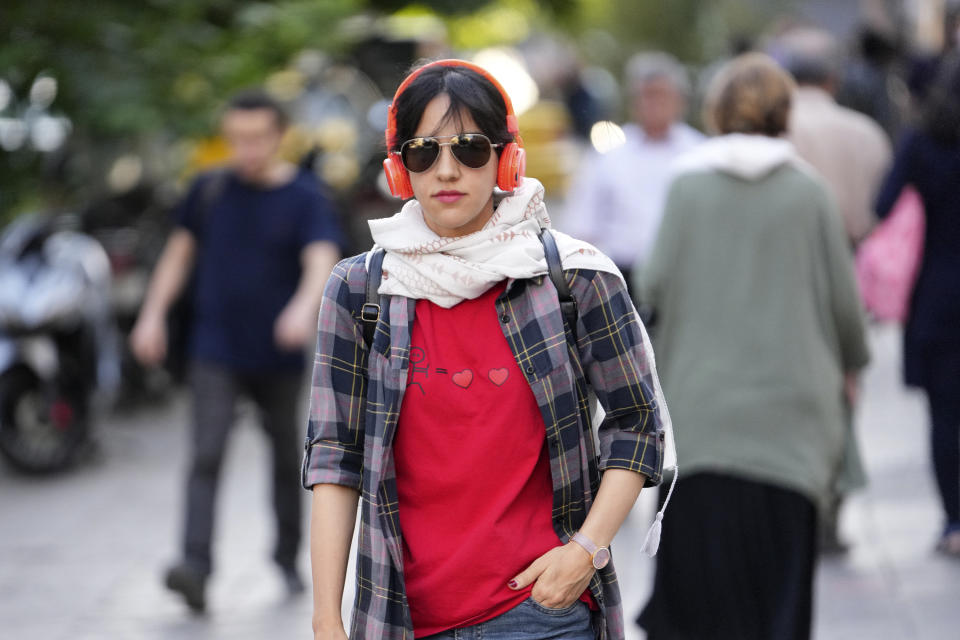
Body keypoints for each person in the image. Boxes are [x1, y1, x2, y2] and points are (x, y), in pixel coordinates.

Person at [302, 59, 668, 640]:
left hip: (541, 614)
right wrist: (326, 618)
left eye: (470, 148)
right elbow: (334, 457)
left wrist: (585, 552)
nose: (447, 170)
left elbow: (637, 423)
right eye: (424, 152)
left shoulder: (573, 278)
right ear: (399, 170)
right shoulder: (360, 289)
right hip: (400, 617)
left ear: (505, 157)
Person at [636, 53, 869, 640]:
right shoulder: (808, 193)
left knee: (698, 598)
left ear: (715, 112)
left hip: (703, 414)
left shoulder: (687, 189)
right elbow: (846, 305)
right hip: (792, 420)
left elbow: (654, 283)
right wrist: (854, 363)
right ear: (783, 113)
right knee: (778, 595)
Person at [129, 90, 343, 612]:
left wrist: (301, 309)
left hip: (278, 351)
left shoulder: (307, 196)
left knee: (284, 455)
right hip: (215, 347)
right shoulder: (209, 190)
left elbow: (322, 258)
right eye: (236, 139)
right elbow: (178, 257)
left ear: (278, 136)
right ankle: (195, 567)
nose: (246, 149)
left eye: (257, 138)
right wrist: (152, 314)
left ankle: (287, 555)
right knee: (206, 452)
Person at [776, 26, 892, 554]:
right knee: (843, 386)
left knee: (791, 390)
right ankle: (834, 500)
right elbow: (883, 212)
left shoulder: (775, 131)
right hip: (850, 263)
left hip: (785, 272)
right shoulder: (865, 132)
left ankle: (798, 501)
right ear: (833, 78)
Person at [874, 53, 960, 557]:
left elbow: (883, 204)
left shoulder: (922, 140)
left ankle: (954, 521)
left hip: (938, 295)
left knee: (945, 416)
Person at [563, 52, 704, 294]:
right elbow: (581, 225)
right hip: (621, 278)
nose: (652, 104)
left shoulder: (701, 154)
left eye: (661, 95)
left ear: (680, 100)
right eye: (645, 96)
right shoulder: (608, 155)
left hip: (687, 277)